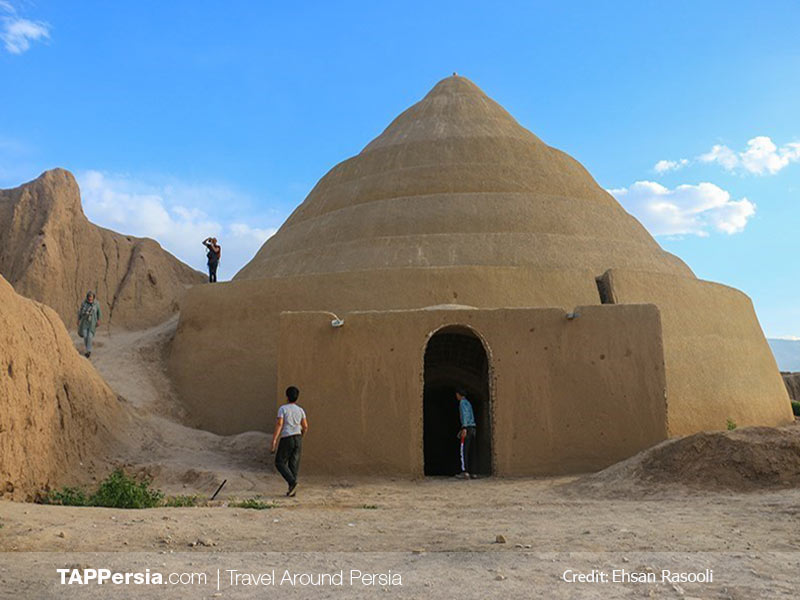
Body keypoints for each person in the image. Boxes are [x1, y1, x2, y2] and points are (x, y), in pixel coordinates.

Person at [270, 386, 308, 497]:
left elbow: (279, 424)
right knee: (293, 465)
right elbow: (305, 426)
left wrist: (274, 440)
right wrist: (301, 436)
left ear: (287, 396)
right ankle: (292, 490)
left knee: (279, 462)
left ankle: (292, 483)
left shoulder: (283, 409)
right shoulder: (300, 410)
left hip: (287, 437)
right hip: (298, 437)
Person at [455, 389, 476, 479]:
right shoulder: (468, 403)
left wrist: (464, 428)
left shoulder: (462, 403)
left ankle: (465, 472)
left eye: (457, 394)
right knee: (471, 450)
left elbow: (465, 415)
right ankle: (472, 472)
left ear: (459, 394)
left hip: (467, 428)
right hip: (473, 428)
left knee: (464, 450)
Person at [77, 291, 101, 358]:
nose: (90, 300)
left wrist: (98, 320)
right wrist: (78, 319)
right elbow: (80, 312)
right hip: (85, 322)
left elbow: (99, 312)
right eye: (89, 298)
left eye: (91, 298)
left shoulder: (96, 304)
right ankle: (88, 349)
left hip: (92, 323)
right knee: (85, 336)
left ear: (93, 298)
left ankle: (88, 351)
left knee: (90, 337)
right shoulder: (84, 303)